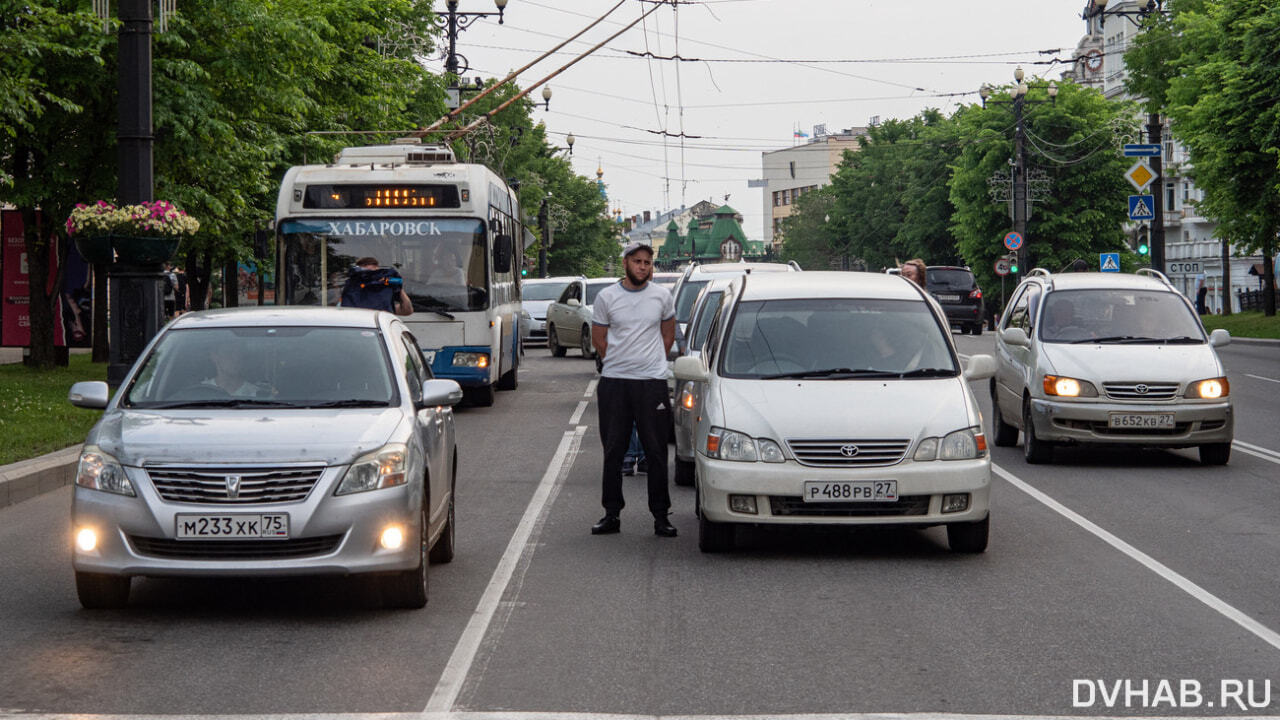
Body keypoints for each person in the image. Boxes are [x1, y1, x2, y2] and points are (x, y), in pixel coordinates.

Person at [590, 241, 678, 537]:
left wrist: (651, 364)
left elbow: (668, 335)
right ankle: (611, 514)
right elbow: (599, 338)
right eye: (638, 261)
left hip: (651, 383)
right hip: (615, 383)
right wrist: (618, 362)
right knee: (614, 450)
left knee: (656, 451)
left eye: (647, 262)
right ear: (626, 263)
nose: (643, 266)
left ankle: (661, 516)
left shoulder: (662, 297)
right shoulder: (607, 297)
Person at [340, 257, 412, 316]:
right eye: (367, 274)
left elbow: (406, 311)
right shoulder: (351, 289)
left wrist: (398, 287)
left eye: (374, 274)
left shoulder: (384, 292)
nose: (372, 279)